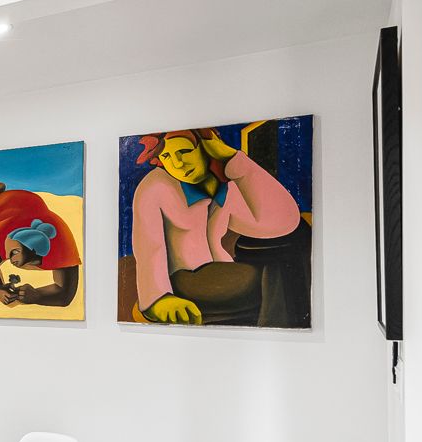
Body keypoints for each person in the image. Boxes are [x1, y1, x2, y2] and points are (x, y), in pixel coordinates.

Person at [129, 127, 301, 325]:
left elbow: (282, 222)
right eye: (167, 156)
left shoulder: (222, 182)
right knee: (273, 276)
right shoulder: (154, 187)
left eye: (184, 151)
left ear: (207, 148)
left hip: (221, 277)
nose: (178, 163)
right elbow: (149, 247)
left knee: (286, 254)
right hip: (180, 282)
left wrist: (236, 160)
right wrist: (159, 299)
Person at [0, 182, 80, 307]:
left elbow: (66, 295)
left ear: (32, 247)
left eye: (14, 252)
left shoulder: (63, 246)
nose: (10, 259)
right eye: (10, 254)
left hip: (27, 205)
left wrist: (37, 296)